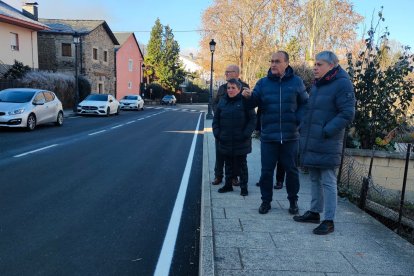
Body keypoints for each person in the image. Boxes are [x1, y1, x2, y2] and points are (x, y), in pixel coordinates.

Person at [293, 51, 355, 235]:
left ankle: (329, 220)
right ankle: (314, 212)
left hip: (327, 141)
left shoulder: (342, 83)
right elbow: (311, 110)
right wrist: (303, 127)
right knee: (314, 177)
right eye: (315, 64)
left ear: (332, 65)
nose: (315, 68)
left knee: (328, 180)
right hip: (313, 139)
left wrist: (326, 130)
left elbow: (347, 113)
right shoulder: (319, 84)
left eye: (319, 64)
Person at [242, 51, 308, 215]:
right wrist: (248, 97)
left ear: (286, 63)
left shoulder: (297, 82)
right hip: (269, 136)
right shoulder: (263, 83)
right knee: (266, 171)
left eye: (277, 61)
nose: (273, 64)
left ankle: (293, 201)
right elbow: (253, 101)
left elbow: (305, 104)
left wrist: (297, 121)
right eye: (271, 61)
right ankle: (266, 202)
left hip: (290, 137)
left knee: (292, 171)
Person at [212, 78, 256, 196]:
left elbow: (253, 119)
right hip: (225, 139)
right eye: (228, 88)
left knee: (242, 165)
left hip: (241, 140)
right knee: (228, 164)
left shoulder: (245, 101)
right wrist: (217, 133)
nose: (230, 90)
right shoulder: (222, 101)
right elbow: (216, 119)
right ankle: (228, 185)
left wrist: (246, 134)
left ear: (239, 89)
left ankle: (243, 187)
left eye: (233, 88)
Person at [211, 65, 249, 187]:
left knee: (236, 155)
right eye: (225, 71)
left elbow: (249, 107)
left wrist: (245, 130)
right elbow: (215, 103)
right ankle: (218, 175)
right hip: (223, 128)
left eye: (229, 72)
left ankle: (234, 177)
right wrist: (220, 113)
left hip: (238, 128)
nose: (226, 73)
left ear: (236, 73)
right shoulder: (222, 88)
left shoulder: (245, 87)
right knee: (220, 153)